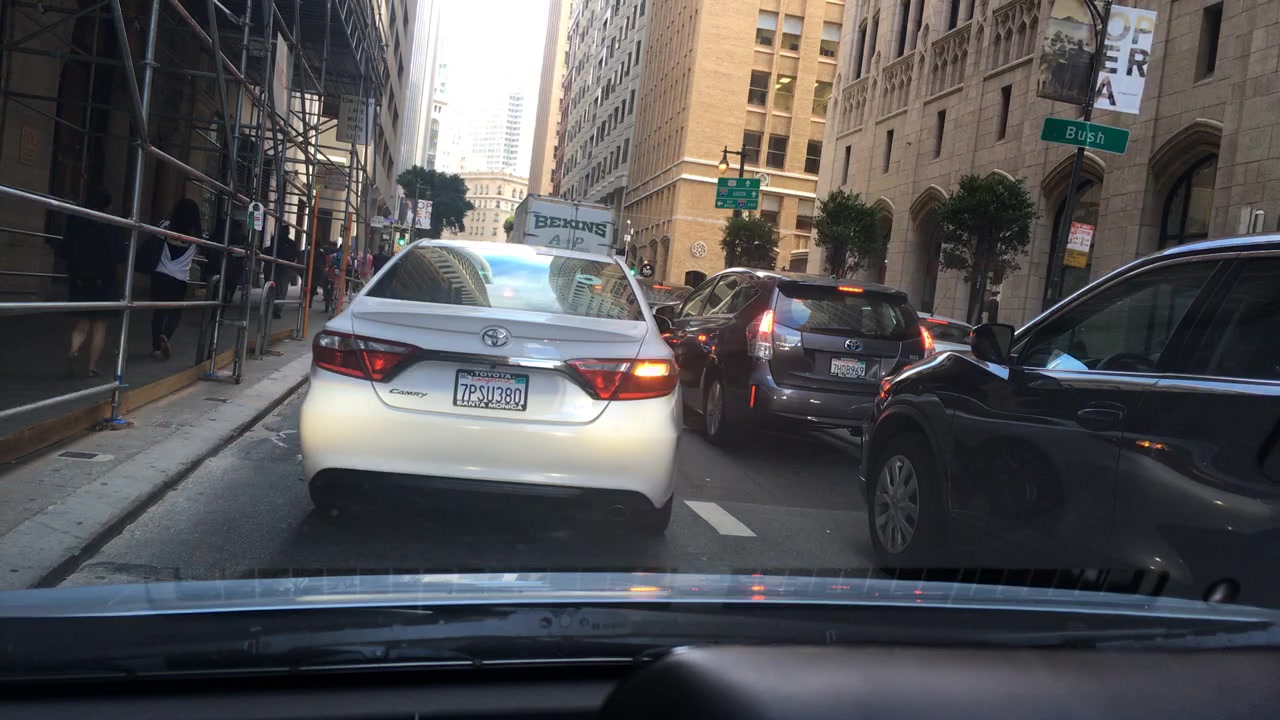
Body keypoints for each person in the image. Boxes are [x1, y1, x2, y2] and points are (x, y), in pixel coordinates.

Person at [64, 188, 124, 378]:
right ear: (108, 205)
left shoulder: (76, 219)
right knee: (100, 325)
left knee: (82, 322)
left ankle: (74, 350)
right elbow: (121, 254)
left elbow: (65, 247)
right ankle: (91, 367)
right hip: (104, 279)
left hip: (80, 277)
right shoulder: (112, 224)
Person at [149, 198, 202, 361]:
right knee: (175, 313)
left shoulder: (164, 226)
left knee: (158, 311)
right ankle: (166, 335)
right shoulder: (196, 234)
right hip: (179, 278)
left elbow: (153, 239)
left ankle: (156, 347)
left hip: (160, 273)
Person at [269, 225, 297, 319]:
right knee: (280, 288)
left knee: (279, 288)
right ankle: (276, 307)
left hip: (281, 267)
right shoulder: (279, 241)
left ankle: (276, 307)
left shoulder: (279, 241)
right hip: (280, 266)